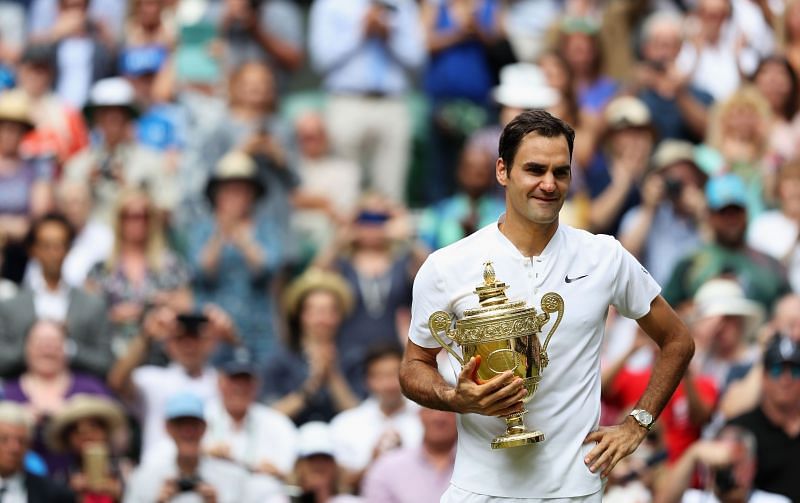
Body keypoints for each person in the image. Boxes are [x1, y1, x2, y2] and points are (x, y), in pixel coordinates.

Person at [400, 110, 695, 501]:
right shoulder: (447, 266)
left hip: (576, 489)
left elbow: (678, 340)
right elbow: (413, 366)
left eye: (561, 172)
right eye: (535, 169)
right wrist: (454, 397)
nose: (549, 184)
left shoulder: (604, 255)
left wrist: (637, 423)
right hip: (480, 489)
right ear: (502, 171)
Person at [308, 0, 425, 203]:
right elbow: (320, 59)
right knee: (345, 188)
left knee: (391, 190)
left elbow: (418, 58)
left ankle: (391, 234)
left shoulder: (403, 4)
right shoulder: (329, 4)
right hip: (346, 101)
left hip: (392, 103)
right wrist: (360, 32)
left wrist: (390, 37)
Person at [185, 150, 283, 363]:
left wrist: (242, 238)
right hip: (212, 331)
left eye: (241, 191)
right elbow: (199, 270)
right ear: (217, 195)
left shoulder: (267, 230)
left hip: (258, 331)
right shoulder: (202, 230)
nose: (235, 197)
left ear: (252, 195)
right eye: (228, 191)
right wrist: (221, 234)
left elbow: (268, 268)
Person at [107, 304, 237, 458]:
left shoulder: (223, 383)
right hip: (159, 473)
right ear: (167, 344)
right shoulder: (153, 379)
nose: (189, 345)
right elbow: (117, 382)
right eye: (180, 338)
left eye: (196, 338)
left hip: (211, 473)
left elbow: (250, 385)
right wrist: (146, 336)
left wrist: (231, 339)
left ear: (211, 343)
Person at [0, 214, 112, 378]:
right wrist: (38, 341)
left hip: (79, 396)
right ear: (33, 250)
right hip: (24, 395)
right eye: (46, 245)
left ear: (68, 249)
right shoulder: (11, 305)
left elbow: (106, 363)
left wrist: (69, 347)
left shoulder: (92, 305)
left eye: (59, 245)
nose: (53, 253)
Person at [85, 189, 192, 358]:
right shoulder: (101, 268)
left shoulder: (171, 265)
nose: (138, 222)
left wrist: (165, 304)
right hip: (112, 354)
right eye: (130, 215)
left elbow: (188, 307)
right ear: (119, 220)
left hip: (162, 354)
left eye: (145, 215)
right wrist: (114, 315)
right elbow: (86, 317)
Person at [663, 174, 790, 311]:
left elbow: (790, 307)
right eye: (723, 212)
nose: (731, 219)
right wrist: (697, 310)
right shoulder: (689, 263)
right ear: (709, 215)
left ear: (746, 212)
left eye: (736, 211)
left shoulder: (771, 264)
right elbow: (666, 315)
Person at [64, 77, 178, 225]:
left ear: (129, 116)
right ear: (95, 117)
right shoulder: (78, 165)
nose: (113, 118)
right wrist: (86, 187)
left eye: (119, 112)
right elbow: (64, 218)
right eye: (105, 112)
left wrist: (131, 191)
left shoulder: (153, 162)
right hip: (90, 241)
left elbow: (167, 213)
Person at [262, 268, 359, 425]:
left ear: (339, 316)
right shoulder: (280, 358)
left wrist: (332, 375)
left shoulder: (353, 356)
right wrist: (312, 385)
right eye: (315, 311)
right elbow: (269, 416)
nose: (322, 319)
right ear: (301, 315)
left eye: (329, 311)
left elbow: (360, 416)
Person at [123, 392, 256, 503]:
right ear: (168, 428)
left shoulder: (233, 477)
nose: (187, 431)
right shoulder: (144, 477)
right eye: (180, 424)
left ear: (204, 427)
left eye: (193, 424)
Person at [330, 344, 422, 491]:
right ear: (367, 381)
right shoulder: (345, 424)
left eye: (395, 374)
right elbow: (341, 487)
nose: (389, 384)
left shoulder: (429, 419)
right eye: (380, 376)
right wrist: (373, 463)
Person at [618, 140, 708, 286]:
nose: (680, 183)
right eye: (674, 176)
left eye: (688, 176)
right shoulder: (640, 215)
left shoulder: (707, 217)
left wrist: (702, 216)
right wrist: (649, 208)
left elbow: (717, 257)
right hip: (654, 303)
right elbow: (624, 257)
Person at [726, 335, 800, 502]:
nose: (786, 379)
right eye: (777, 370)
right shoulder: (741, 429)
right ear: (764, 377)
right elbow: (727, 492)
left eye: (795, 371)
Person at [203, 355, 298, 483]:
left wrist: (275, 471)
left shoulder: (276, 422)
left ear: (257, 386)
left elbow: (293, 472)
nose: (240, 387)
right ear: (220, 383)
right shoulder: (202, 416)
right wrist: (204, 453)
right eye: (234, 380)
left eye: (246, 381)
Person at [654, 425, 790, 503]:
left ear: (752, 466)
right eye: (721, 464)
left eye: (734, 463)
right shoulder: (694, 499)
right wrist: (693, 453)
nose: (727, 470)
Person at [634, 10, 713, 143]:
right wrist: (635, 86)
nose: (665, 53)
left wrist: (679, 92)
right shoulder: (634, 90)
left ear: (680, 49)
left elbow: (710, 131)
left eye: (671, 45)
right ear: (646, 48)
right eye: (659, 44)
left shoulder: (699, 95)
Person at [0, 90, 54, 284]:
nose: (9, 135)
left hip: (21, 254)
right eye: (4, 128)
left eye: (15, 129)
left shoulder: (35, 168)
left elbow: (37, 218)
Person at [361, 407, 456, 503]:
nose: (439, 417)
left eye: (449, 410)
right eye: (431, 409)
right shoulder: (386, 467)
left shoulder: (471, 466)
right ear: (420, 414)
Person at [44, 394, 127, 501]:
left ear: (105, 432)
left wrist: (121, 493)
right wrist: (68, 493)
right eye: (76, 430)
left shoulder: (125, 470)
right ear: (68, 440)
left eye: (94, 426)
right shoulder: (61, 478)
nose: (86, 435)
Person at [0, 401, 75, 502]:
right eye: (4, 439)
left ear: (29, 446)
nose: (14, 448)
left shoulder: (55, 494)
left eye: (21, 441)